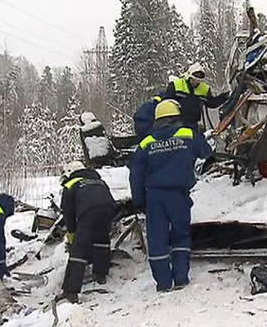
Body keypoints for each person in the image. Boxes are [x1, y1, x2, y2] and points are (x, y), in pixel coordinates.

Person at [129, 100, 212, 292]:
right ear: (176, 115)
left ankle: (163, 283)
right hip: (178, 195)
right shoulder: (187, 134)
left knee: (157, 238)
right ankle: (181, 278)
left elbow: (136, 174)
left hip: (155, 197)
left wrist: (139, 201)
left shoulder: (146, 143)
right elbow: (206, 151)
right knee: (180, 235)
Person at [57, 161, 117, 303]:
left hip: (88, 213)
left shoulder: (70, 185)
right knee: (101, 240)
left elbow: (68, 213)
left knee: (79, 250)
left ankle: (70, 291)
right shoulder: (98, 180)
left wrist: (72, 233)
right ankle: (100, 274)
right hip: (109, 210)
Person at [163, 63, 229, 130]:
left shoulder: (204, 89)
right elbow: (166, 103)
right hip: (176, 122)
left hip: (193, 123)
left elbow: (212, 103)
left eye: (198, 81)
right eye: (194, 80)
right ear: (189, 76)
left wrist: (224, 97)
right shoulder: (176, 86)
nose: (196, 83)